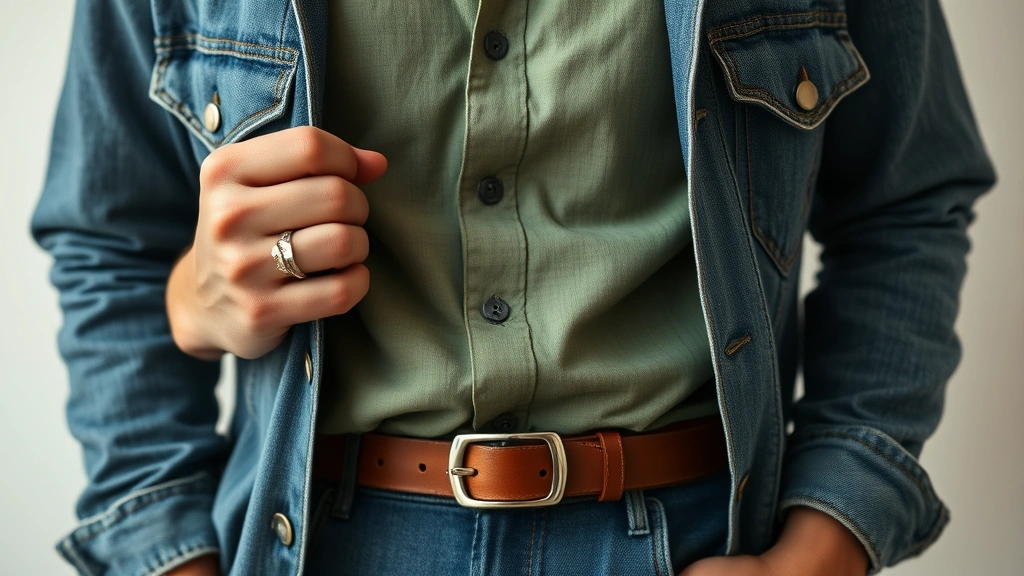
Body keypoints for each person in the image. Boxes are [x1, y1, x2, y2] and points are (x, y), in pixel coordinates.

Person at [32, 0, 994, 575]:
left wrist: (830, 538)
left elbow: (908, 203)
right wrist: (168, 551)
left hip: (687, 536)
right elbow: (110, 242)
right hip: (326, 539)